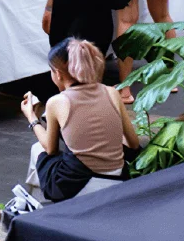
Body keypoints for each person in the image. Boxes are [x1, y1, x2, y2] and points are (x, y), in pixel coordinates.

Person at [20, 39, 140, 203]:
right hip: (118, 178)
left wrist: (32, 117)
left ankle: (38, 209)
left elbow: (51, 149)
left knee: (38, 150)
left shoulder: (57, 102)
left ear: (58, 74)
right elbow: (133, 144)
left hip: (80, 184)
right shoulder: (111, 93)